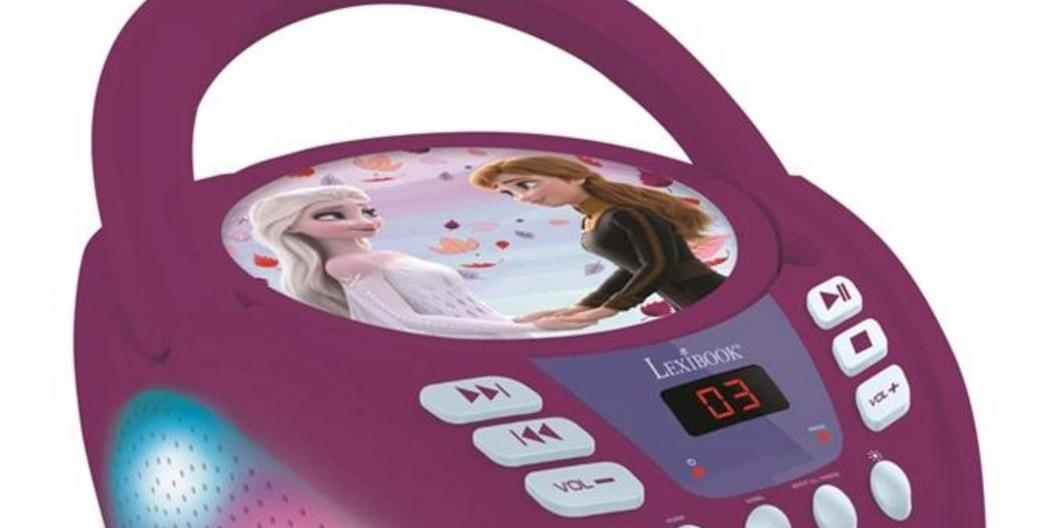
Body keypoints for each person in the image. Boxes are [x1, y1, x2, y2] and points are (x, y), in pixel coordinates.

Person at [469, 154, 724, 330]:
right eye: (510, 193)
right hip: (685, 301)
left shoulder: (629, 213)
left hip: (709, 295)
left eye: (526, 185)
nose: (522, 198)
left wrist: (608, 309)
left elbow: (659, 264)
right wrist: (583, 306)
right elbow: (630, 267)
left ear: (574, 177)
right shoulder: (592, 219)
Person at [249, 185, 533, 337]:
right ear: (290, 226)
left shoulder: (383, 255)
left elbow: (465, 305)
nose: (364, 221)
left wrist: (522, 322)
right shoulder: (344, 265)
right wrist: (524, 327)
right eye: (332, 215)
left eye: (368, 211)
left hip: (499, 332)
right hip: (479, 340)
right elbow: (404, 319)